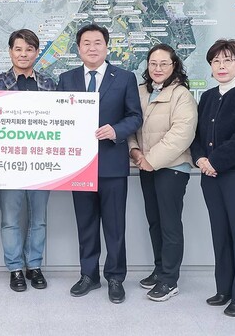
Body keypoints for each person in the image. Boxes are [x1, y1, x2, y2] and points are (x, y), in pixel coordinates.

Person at [57, 23, 143, 304]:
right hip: (78, 165)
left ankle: (115, 278)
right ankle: (88, 275)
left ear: (107, 47)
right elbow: (57, 118)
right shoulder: (66, 79)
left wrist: (116, 130)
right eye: (86, 43)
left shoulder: (125, 78)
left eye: (97, 43)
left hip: (112, 164)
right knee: (86, 224)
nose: (92, 48)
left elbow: (135, 116)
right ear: (78, 48)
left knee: (115, 226)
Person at [191, 39, 235, 317]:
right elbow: (197, 135)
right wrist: (200, 159)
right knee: (219, 232)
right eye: (216, 61)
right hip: (210, 176)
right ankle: (224, 288)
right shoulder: (208, 97)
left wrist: (215, 162)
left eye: (228, 60)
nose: (222, 66)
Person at [128, 44, 198, 302]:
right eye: (153, 63)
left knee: (169, 224)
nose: (157, 68)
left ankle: (170, 280)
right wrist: (135, 152)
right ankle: (159, 270)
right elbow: (131, 125)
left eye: (164, 64)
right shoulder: (140, 92)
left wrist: (151, 160)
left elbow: (182, 134)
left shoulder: (181, 95)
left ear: (174, 65)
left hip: (172, 168)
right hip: (145, 165)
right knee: (155, 221)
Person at [0, 29, 56, 292]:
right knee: (10, 220)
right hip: (7, 165)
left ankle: (34, 266)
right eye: (18, 49)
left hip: (42, 164)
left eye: (29, 49)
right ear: (10, 52)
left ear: (37, 53)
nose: (23, 54)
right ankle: (15, 268)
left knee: (39, 219)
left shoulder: (49, 84)